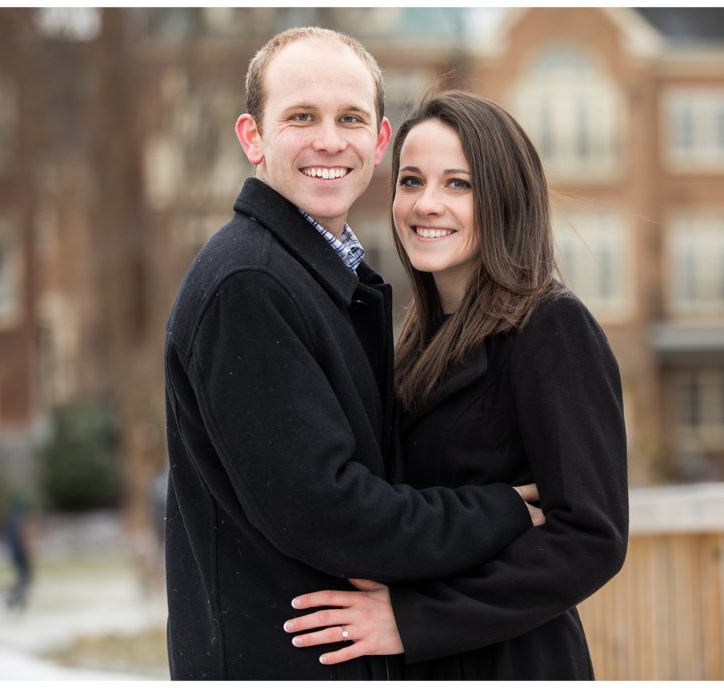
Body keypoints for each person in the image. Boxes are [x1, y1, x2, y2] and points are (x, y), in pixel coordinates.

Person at [163, 30, 542, 680]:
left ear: (380, 141)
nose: (330, 141)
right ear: (253, 136)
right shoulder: (250, 285)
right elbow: (329, 511)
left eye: (350, 119)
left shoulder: (318, 277)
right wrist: (502, 511)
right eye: (301, 117)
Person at [284, 91, 629, 679]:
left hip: (511, 661)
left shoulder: (550, 325)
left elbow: (592, 537)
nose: (427, 205)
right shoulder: (416, 337)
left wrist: (414, 619)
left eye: (458, 185)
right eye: (412, 181)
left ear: (504, 199)